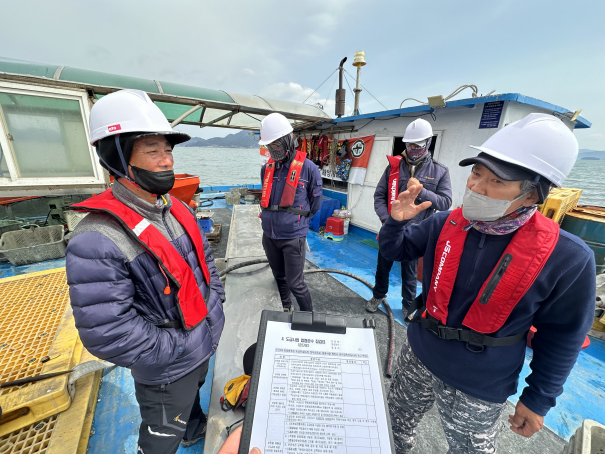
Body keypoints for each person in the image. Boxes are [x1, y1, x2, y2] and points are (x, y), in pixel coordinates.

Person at [380, 113, 596, 453]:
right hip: (419, 355)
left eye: (496, 182)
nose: (477, 187)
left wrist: (538, 398)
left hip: (480, 383)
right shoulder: (444, 223)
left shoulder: (568, 257)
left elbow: (563, 336)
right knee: (391, 427)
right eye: (476, 173)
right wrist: (395, 222)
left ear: (532, 194)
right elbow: (395, 249)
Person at [65, 89, 225, 454]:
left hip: (203, 344)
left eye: (168, 150)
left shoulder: (176, 210)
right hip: (168, 368)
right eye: (153, 150)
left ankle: (194, 427)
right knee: (160, 437)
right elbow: (108, 332)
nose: (167, 160)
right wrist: (179, 347)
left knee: (194, 400)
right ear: (118, 157)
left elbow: (206, 264)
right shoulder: (97, 238)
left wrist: (215, 308)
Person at [367, 118, 452, 318]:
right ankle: (378, 296)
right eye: (409, 144)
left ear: (428, 143)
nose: (412, 149)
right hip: (391, 227)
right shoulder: (394, 167)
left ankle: (407, 305)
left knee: (410, 273)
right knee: (383, 267)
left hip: (416, 233)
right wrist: (386, 220)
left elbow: (445, 202)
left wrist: (420, 191)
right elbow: (380, 195)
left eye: (417, 145)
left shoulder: (439, 171)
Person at [259, 113, 322, 312]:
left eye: (277, 144)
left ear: (289, 139)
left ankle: (308, 316)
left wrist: (296, 222)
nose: (273, 150)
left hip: (293, 236)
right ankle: (286, 307)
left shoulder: (309, 169)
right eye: (270, 146)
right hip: (269, 235)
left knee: (296, 283)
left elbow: (316, 203)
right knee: (279, 275)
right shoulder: (266, 169)